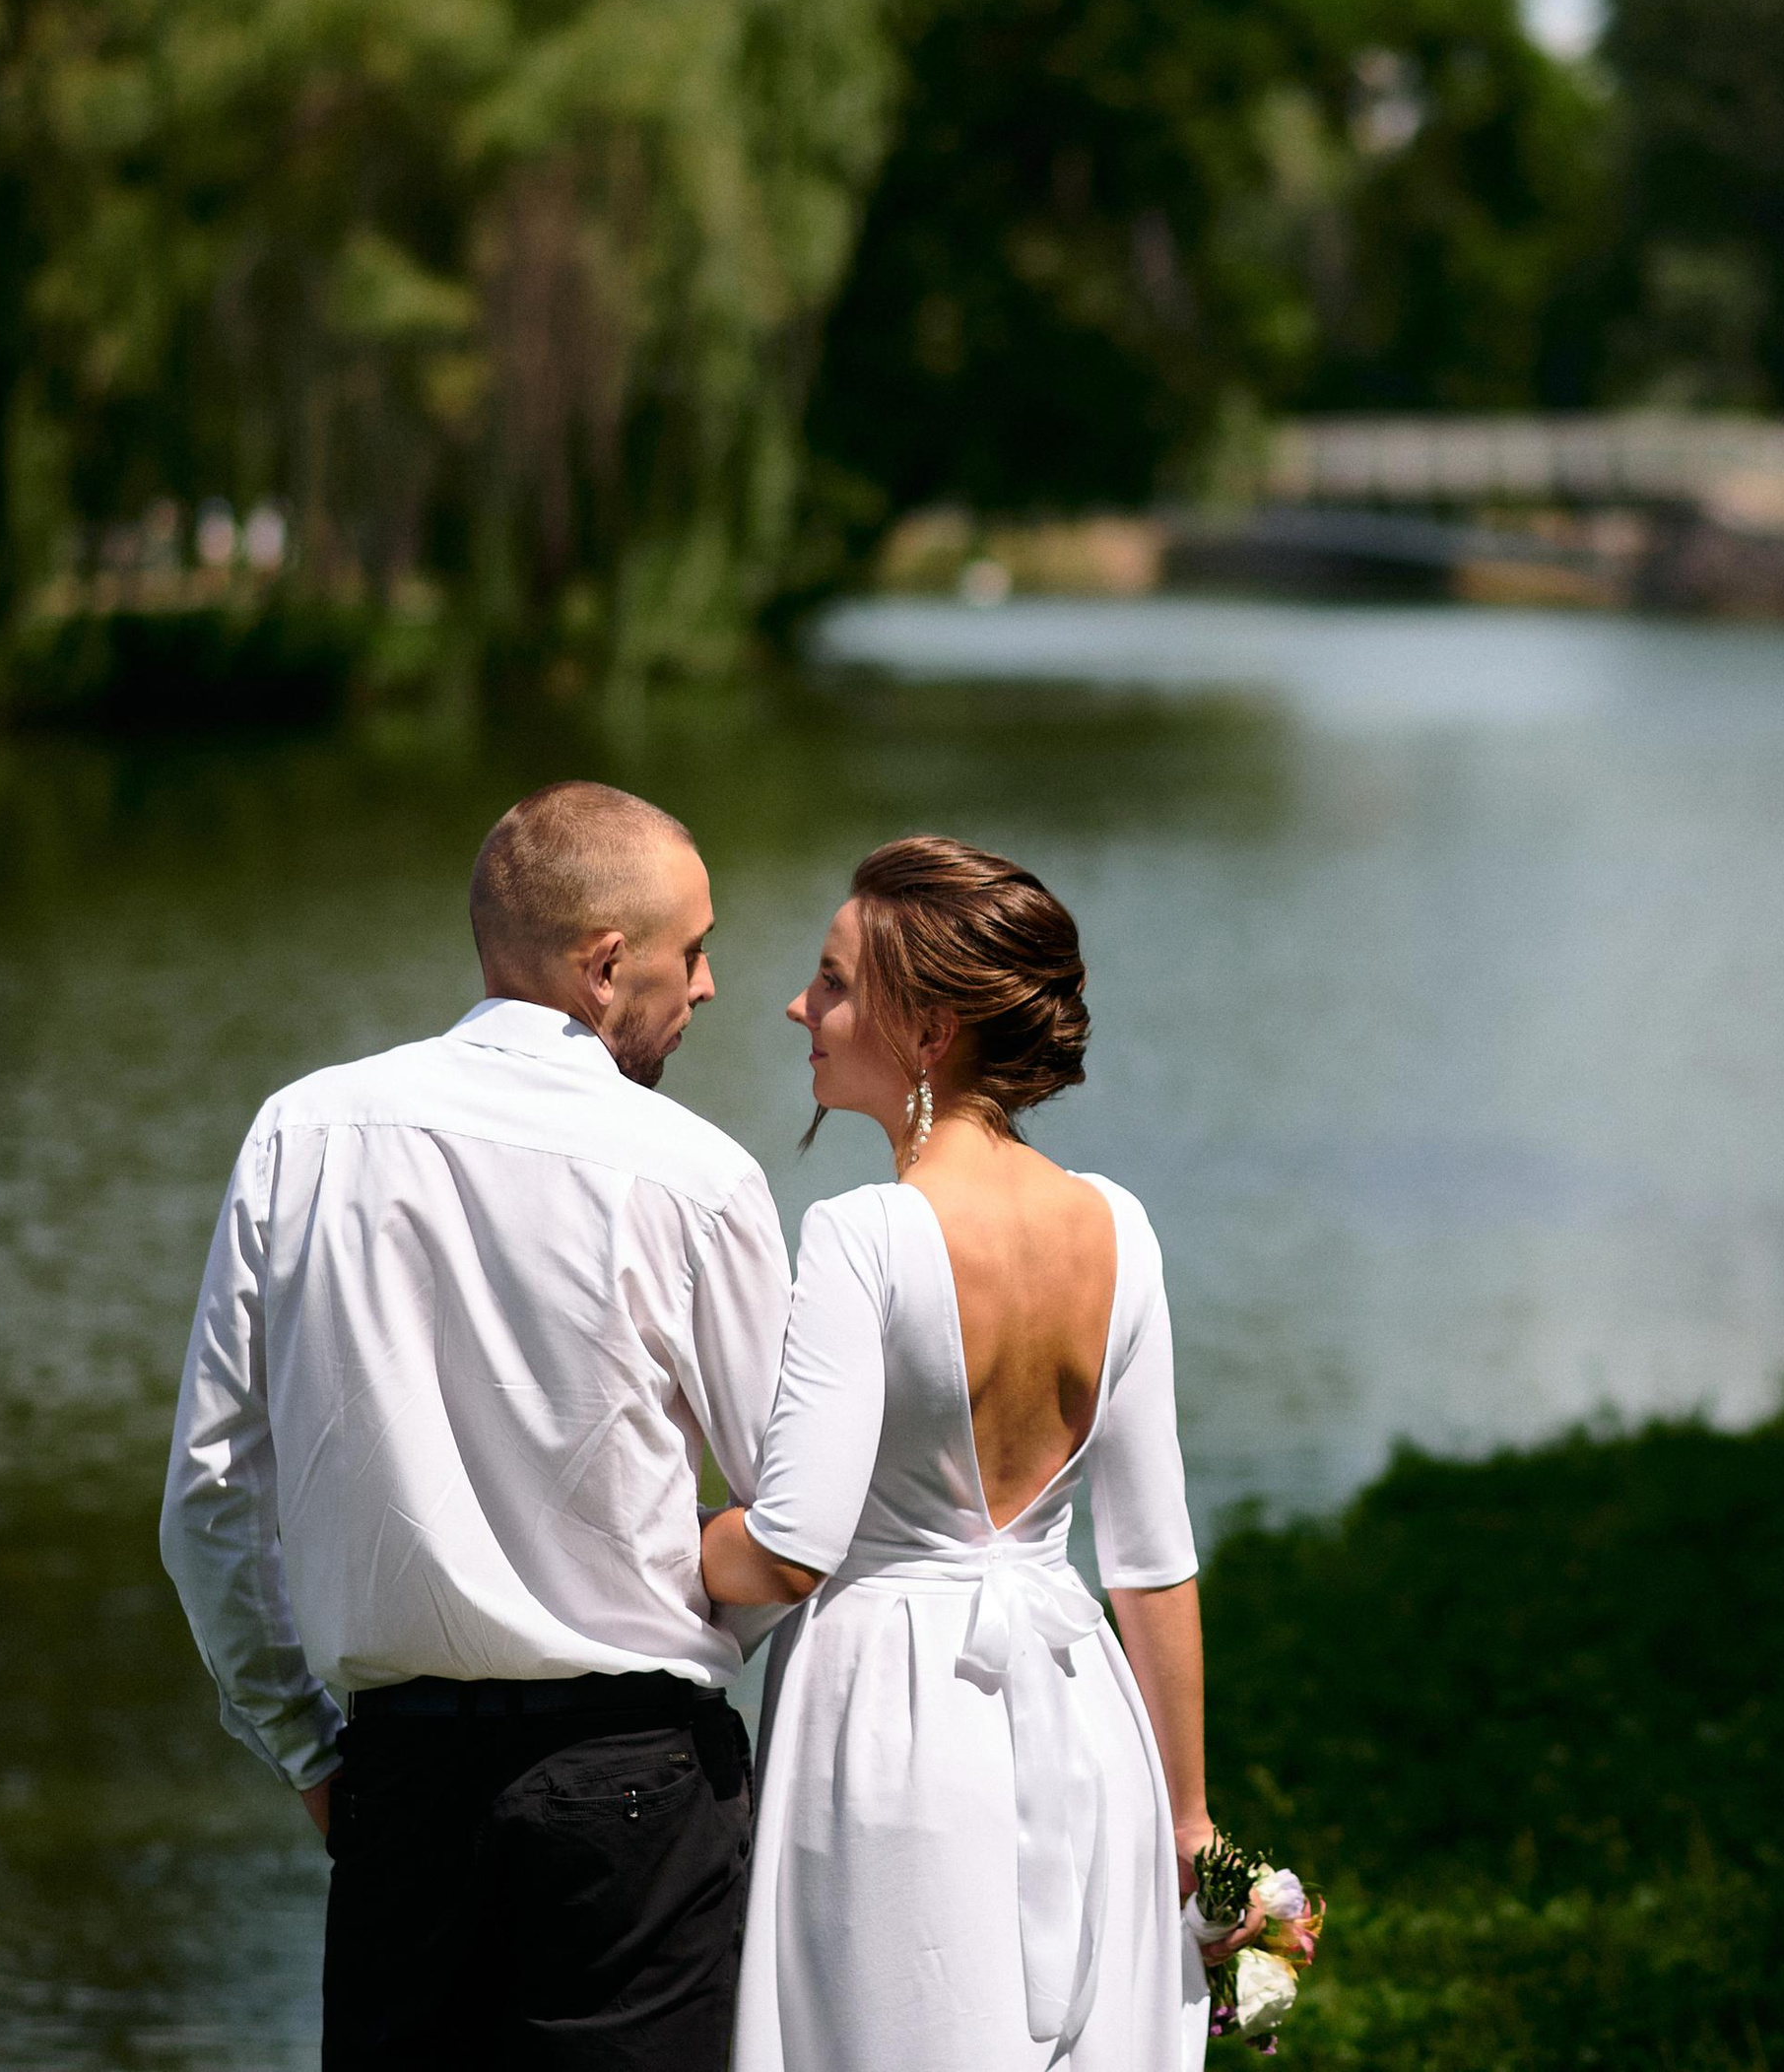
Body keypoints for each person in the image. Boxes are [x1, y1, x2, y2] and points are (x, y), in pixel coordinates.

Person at [159, 780, 791, 2071]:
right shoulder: (697, 1174)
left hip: (398, 1783)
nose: (712, 986)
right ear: (609, 965)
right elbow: (805, 1513)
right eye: (696, 950)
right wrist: (691, 1624)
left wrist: (305, 1750)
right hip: (638, 1789)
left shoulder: (304, 1133)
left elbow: (208, 1503)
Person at [704, 835, 1213, 2071]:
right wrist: (1190, 1817)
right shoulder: (1119, 1228)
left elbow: (785, 1550)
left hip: (894, 1724)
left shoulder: (863, 1232)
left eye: (829, 982)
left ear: (927, 1031)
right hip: (1083, 1715)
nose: (796, 1005)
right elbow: (1150, 1569)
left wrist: (638, 1539)